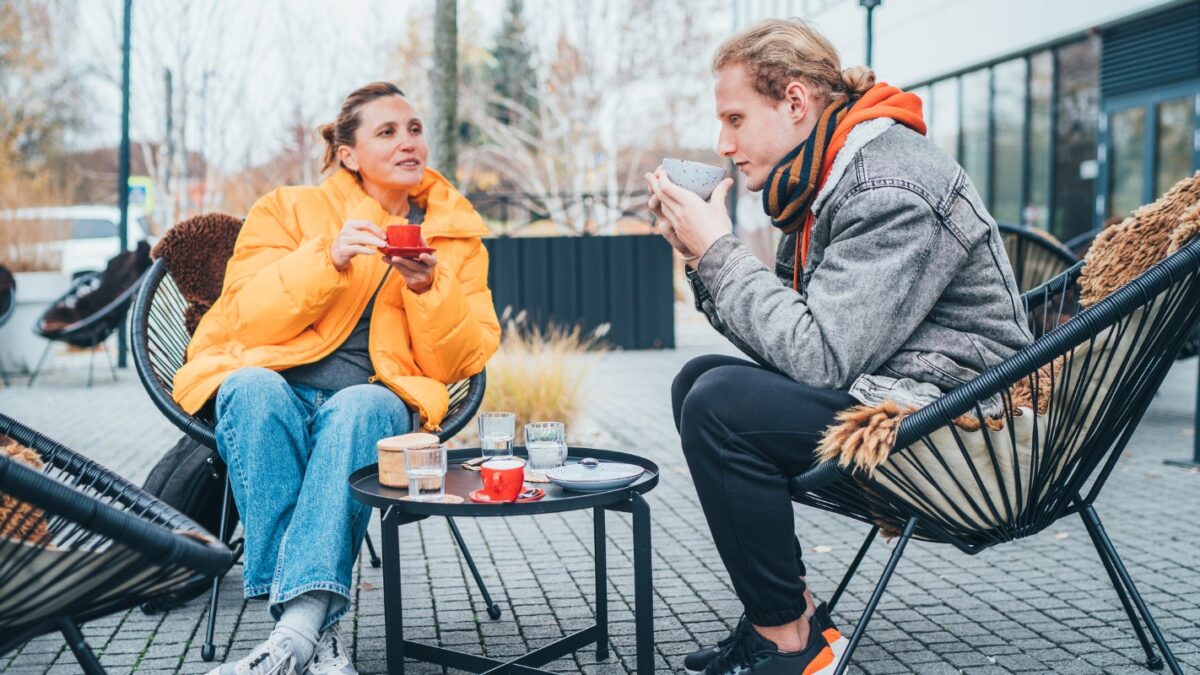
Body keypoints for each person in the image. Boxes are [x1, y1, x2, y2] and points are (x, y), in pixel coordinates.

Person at [646, 19, 1032, 675]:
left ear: (795, 102)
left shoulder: (888, 183)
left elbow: (819, 357)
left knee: (717, 403)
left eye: (736, 118)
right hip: (909, 397)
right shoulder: (832, 173)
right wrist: (700, 259)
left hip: (969, 430)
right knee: (699, 382)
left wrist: (718, 251)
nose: (723, 143)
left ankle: (790, 649)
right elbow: (799, 345)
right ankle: (792, 616)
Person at [173, 82, 500, 675]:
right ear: (347, 153)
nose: (409, 143)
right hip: (276, 382)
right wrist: (325, 259)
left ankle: (291, 639)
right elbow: (244, 314)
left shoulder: (454, 235)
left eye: (415, 129)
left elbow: (462, 362)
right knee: (250, 390)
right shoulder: (288, 209)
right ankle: (315, 636)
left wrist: (430, 288)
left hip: (379, 395)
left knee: (358, 409)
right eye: (387, 132)